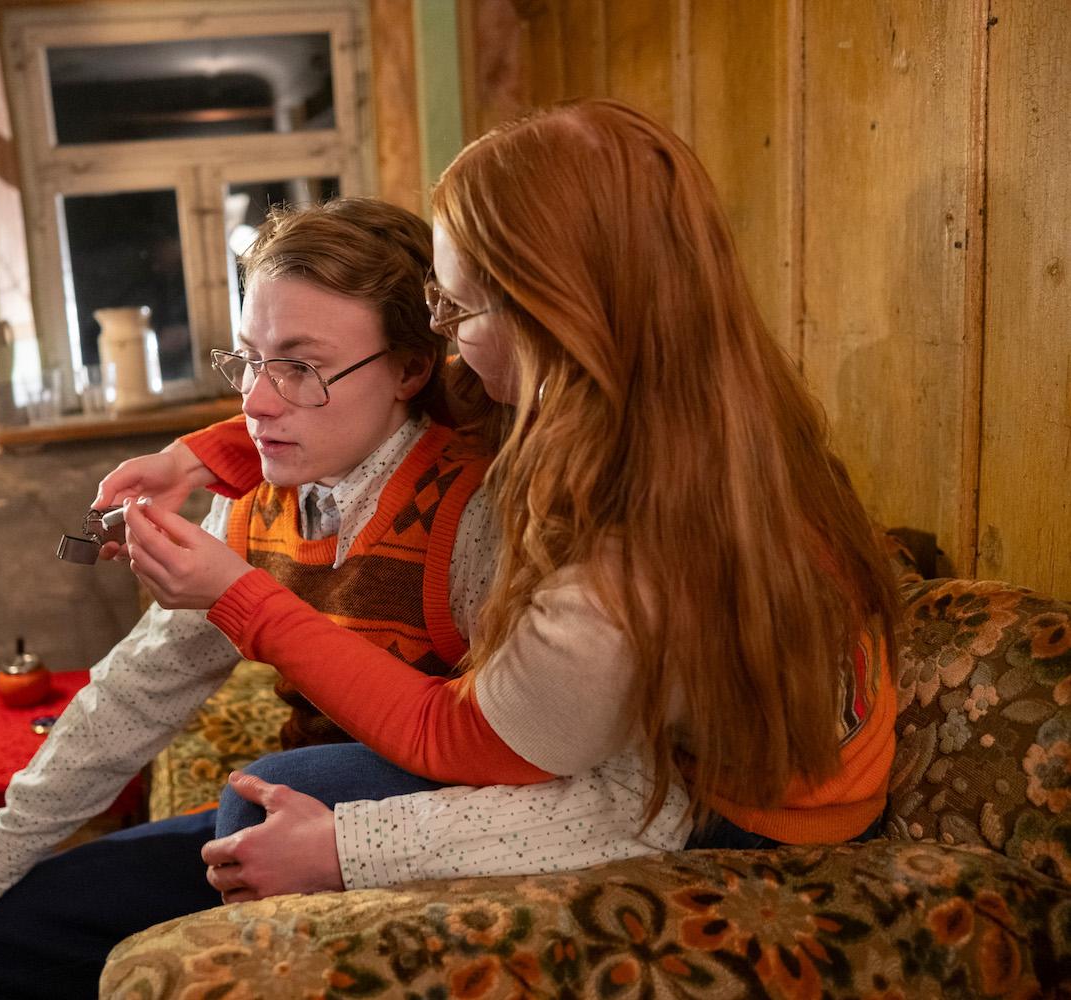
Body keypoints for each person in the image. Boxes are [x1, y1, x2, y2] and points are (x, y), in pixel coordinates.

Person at [109, 100, 898, 897]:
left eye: (455, 308)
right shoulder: (687, 389)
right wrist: (208, 452)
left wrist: (247, 608)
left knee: (259, 806)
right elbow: (404, 398)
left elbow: (467, 737)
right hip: (765, 760)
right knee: (218, 826)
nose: (443, 333)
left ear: (547, 311)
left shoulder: (631, 553)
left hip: (754, 825)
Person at [0, 196, 689, 999]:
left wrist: (348, 841)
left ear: (413, 368)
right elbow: (134, 695)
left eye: (301, 367)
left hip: (443, 832)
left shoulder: (478, 515)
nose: (255, 401)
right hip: (293, 815)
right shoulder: (250, 498)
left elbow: (618, 794)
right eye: (248, 359)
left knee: (268, 791)